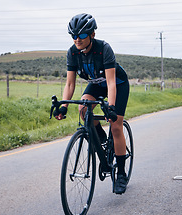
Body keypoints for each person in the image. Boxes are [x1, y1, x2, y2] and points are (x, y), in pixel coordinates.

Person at [54, 13, 130, 195]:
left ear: (92, 35)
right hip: (96, 84)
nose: (76, 40)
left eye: (81, 36)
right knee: (83, 109)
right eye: (73, 36)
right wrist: (64, 107)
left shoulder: (104, 49)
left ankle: (121, 174)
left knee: (116, 125)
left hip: (117, 85)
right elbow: (70, 83)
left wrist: (110, 108)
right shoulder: (72, 52)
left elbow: (111, 83)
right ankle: (101, 138)